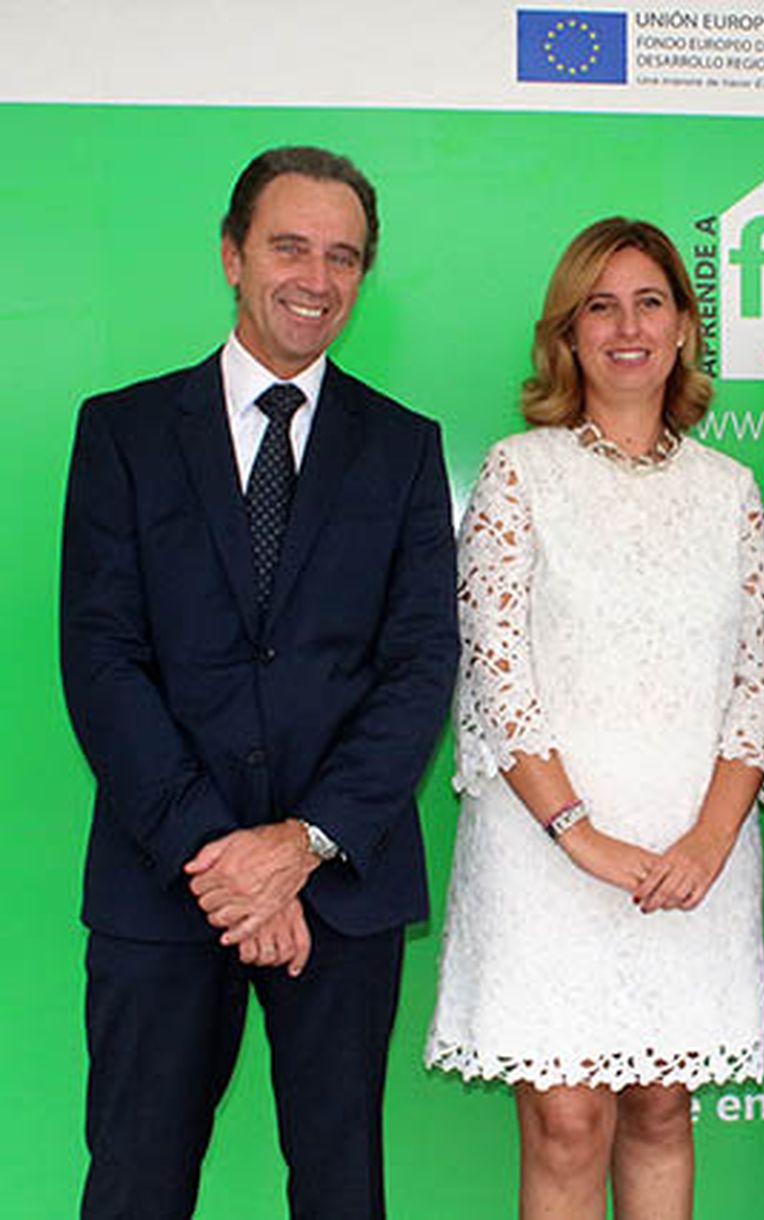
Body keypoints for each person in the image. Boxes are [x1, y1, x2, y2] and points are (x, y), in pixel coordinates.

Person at [59, 146, 459, 1219]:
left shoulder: (404, 449)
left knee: (341, 1192)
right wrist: (225, 861)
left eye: (344, 256)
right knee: (136, 1186)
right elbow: (101, 659)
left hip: (341, 887)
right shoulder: (123, 432)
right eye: (290, 247)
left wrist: (300, 846)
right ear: (233, 255)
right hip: (160, 880)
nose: (316, 279)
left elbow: (420, 666)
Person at [426, 217, 764, 1220]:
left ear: (684, 327)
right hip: (547, 847)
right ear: (568, 334)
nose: (627, 327)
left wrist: (706, 841)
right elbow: (498, 675)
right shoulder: (518, 471)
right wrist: (581, 836)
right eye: (601, 306)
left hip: (694, 851)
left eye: (649, 302)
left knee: (663, 1104)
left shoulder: (731, 491)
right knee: (568, 1118)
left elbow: (759, 681)